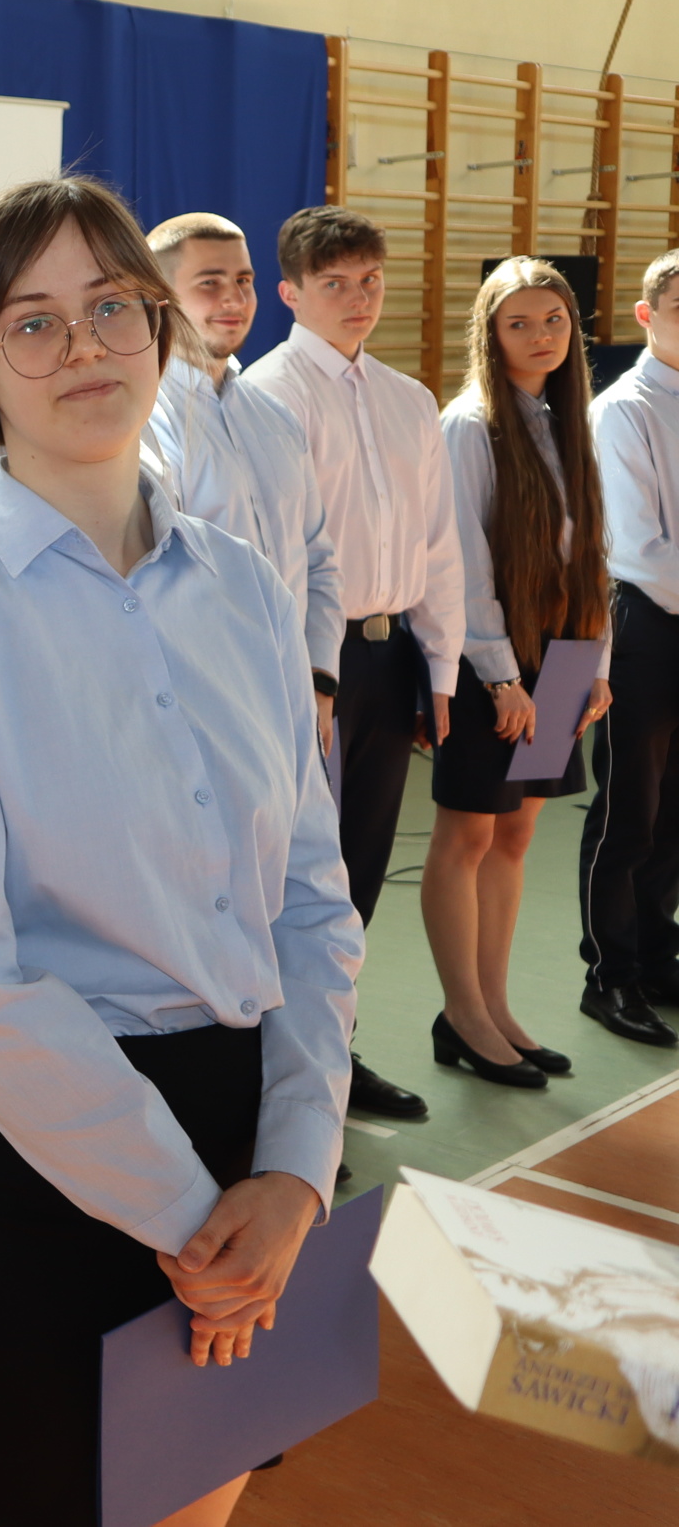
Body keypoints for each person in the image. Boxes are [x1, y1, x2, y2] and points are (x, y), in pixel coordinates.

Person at [0, 175, 362, 1527]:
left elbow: (312, 897)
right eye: (33, 321)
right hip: (20, 1171)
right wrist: (197, 1212)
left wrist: (297, 1169)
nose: (81, 347)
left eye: (109, 309)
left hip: (250, 1147)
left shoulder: (245, 587)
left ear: (159, 330)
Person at [243, 204, 463, 1124]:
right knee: (296, 874)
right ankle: (274, 1078)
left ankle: (335, 1052)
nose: (357, 298)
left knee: (360, 868)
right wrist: (308, 677)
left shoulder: (410, 399)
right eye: (334, 283)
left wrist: (442, 672)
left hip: (389, 655)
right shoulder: (268, 397)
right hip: (310, 669)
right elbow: (277, 554)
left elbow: (439, 547)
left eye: (370, 279)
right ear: (291, 291)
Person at [423, 259, 610, 1084]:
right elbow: (461, 562)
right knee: (467, 833)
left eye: (554, 322)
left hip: (565, 655)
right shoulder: (469, 424)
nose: (540, 337)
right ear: (489, 333)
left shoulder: (570, 419)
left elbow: (592, 549)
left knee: (518, 832)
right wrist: (502, 678)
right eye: (519, 323)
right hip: (492, 660)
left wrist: (593, 663)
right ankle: (461, 1012)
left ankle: (495, 1008)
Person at [142, 213, 342, 747]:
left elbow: (318, 560)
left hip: (295, 696)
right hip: (202, 708)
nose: (234, 298)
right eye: (210, 283)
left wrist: (320, 679)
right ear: (160, 295)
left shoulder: (275, 418)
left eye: (244, 281)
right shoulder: (145, 423)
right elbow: (151, 585)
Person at [579, 246, 679, 1047]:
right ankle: (607, 974)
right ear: (646, 315)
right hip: (641, 623)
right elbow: (639, 548)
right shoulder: (624, 408)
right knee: (628, 812)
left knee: (674, 807)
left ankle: (652, 949)